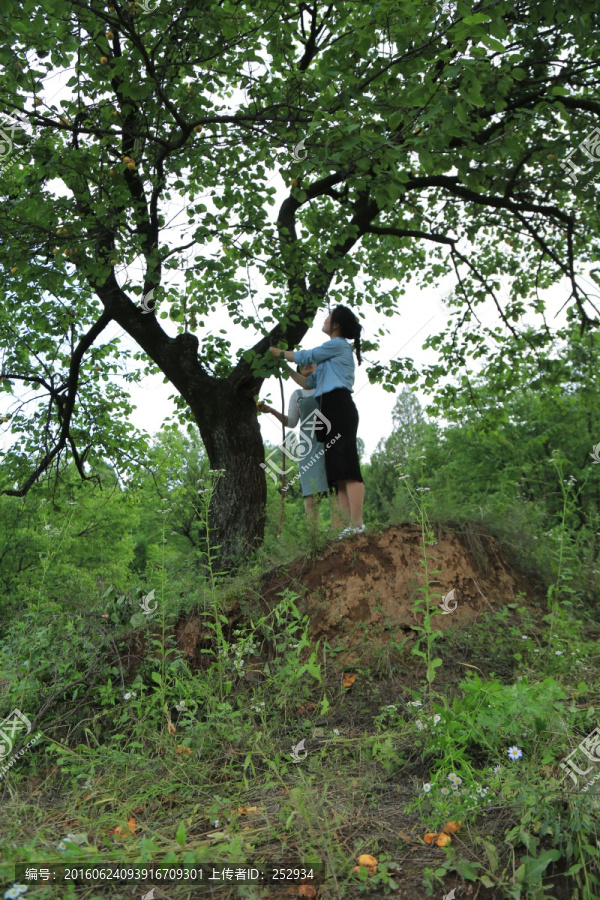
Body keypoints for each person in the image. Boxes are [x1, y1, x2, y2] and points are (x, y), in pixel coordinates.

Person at [269, 305, 365, 537]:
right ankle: (347, 527)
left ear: (337, 325)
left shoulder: (338, 345)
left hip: (340, 406)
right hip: (328, 409)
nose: (324, 319)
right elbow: (308, 384)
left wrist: (279, 352)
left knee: (349, 468)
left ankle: (358, 524)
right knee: (338, 473)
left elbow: (307, 355)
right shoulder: (329, 359)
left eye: (328, 317)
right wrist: (284, 366)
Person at [258, 363, 340, 532]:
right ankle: (314, 538)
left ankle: (339, 534)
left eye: (312, 363)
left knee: (335, 491)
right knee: (311, 494)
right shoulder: (297, 395)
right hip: (308, 448)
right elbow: (292, 422)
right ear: (298, 372)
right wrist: (272, 411)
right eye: (303, 365)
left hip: (331, 443)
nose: (308, 366)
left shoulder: (327, 386)